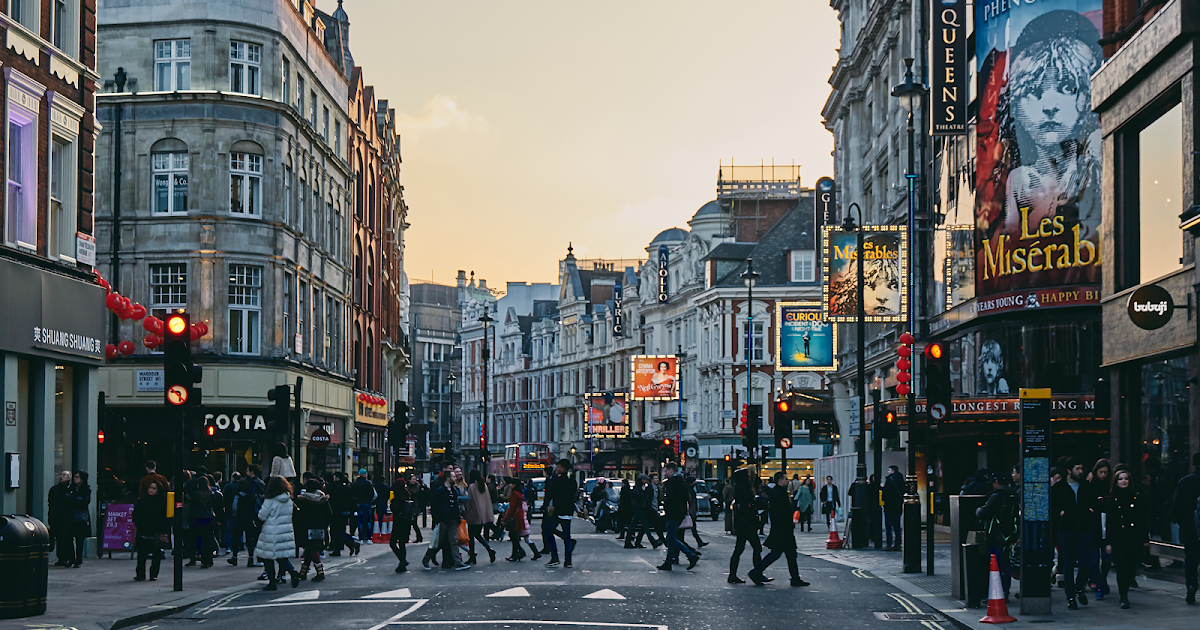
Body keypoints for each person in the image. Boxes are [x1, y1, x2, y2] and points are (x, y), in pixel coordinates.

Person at [747, 471, 809, 587]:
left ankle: (795, 578)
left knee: (790, 554)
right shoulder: (779, 494)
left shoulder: (777, 492)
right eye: (786, 479)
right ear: (780, 480)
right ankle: (755, 572)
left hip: (782, 529)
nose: (788, 481)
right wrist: (788, 525)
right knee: (776, 554)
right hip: (782, 530)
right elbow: (781, 513)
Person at [1050, 457, 1097, 609]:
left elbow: (1094, 501)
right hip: (1066, 530)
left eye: (1081, 468)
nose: (1081, 472)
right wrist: (1061, 512)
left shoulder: (1086, 486)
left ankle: (1079, 587)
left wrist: (1091, 510)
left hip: (1084, 529)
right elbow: (1052, 505)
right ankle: (1071, 597)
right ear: (1069, 470)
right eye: (1077, 468)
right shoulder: (1059, 488)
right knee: (1068, 565)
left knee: (1085, 563)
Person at [1102, 467, 1146, 609]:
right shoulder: (1112, 499)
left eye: (1126, 478)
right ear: (1116, 482)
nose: (1123, 481)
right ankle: (1123, 595)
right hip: (1119, 538)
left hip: (1134, 537)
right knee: (1121, 567)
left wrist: (1145, 539)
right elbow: (1110, 522)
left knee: (1132, 566)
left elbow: (1141, 519)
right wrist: (1108, 543)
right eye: (1120, 479)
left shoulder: (1136, 496)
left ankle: (1126, 589)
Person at [976, 472, 1020, 599]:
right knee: (1005, 563)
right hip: (1009, 534)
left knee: (995, 564)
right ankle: (1005, 590)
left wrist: (978, 510)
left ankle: (997, 592)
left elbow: (984, 512)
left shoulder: (997, 495)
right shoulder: (1013, 494)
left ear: (996, 481)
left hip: (996, 535)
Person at [254, 476, 300, 591]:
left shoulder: (270, 500)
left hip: (271, 531)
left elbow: (262, 515)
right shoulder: (289, 500)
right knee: (282, 557)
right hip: (285, 531)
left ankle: (272, 583)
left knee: (268, 558)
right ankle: (293, 572)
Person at [423, 462, 469, 570]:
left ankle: (457, 563)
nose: (455, 478)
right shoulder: (440, 491)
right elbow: (435, 505)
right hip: (444, 520)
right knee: (438, 542)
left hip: (453, 519)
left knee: (454, 541)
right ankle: (426, 559)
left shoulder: (454, 491)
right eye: (453, 476)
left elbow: (455, 505)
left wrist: (457, 518)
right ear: (448, 478)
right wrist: (438, 518)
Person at [657, 462, 699, 571]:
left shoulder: (672, 483)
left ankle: (690, 555)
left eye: (666, 471)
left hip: (673, 513)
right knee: (672, 537)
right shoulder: (682, 482)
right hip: (680, 512)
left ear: (671, 471)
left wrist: (665, 503)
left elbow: (670, 499)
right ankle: (668, 561)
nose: (665, 473)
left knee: (671, 537)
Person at [1172, 452, 1200, 605]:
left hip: (1190, 529)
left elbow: (1176, 507)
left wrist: (1184, 524)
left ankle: (1191, 586)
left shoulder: (1184, 482)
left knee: (1191, 559)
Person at [727, 468, 763, 583]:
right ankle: (757, 573)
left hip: (742, 523)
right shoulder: (745, 488)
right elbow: (747, 506)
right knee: (757, 548)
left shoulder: (739, 487)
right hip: (747, 523)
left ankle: (732, 574)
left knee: (739, 549)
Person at [294, 478, 332, 582]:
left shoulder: (304, 500)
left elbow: (299, 516)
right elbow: (329, 514)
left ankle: (320, 572)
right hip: (320, 527)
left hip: (307, 527)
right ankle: (303, 572)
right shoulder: (323, 499)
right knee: (310, 549)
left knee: (312, 549)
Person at [545, 459, 578, 567]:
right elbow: (574, 496)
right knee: (567, 537)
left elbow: (550, 494)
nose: (556, 469)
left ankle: (555, 557)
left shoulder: (557, 481)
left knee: (548, 532)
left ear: (563, 468)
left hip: (557, 511)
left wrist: (545, 506)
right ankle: (568, 561)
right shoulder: (572, 481)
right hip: (568, 511)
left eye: (558, 467)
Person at [133, 480, 169, 581]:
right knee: (141, 554)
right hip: (143, 530)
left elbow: (166, 517)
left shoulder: (163, 500)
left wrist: (159, 525)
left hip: (156, 530)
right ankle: (140, 574)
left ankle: (153, 574)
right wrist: (140, 523)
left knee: (156, 554)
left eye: (154, 488)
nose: (151, 490)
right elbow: (136, 515)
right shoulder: (142, 501)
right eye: (150, 488)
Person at [1088, 459, 1113, 600]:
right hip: (1094, 525)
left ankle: (1101, 581)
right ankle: (1099, 584)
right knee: (1094, 560)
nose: (1103, 475)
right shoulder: (1091, 486)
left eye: (1105, 472)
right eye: (1100, 472)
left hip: (1107, 525)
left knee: (1106, 559)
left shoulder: (1110, 486)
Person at [464, 470, 497, 564]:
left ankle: (475, 555)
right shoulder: (484, 486)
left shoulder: (472, 487)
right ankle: (487, 551)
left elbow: (469, 502)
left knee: (472, 536)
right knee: (477, 535)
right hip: (482, 515)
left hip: (473, 515)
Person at [502, 479, 539, 560]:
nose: (510, 485)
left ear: (514, 485)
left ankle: (517, 553)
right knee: (515, 536)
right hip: (519, 516)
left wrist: (505, 519)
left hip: (515, 517)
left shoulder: (514, 494)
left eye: (511, 483)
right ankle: (518, 553)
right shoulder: (519, 493)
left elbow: (512, 509)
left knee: (513, 536)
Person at [63, 471, 91, 568]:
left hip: (80, 517)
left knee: (79, 539)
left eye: (77, 477)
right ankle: (71, 558)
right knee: (68, 537)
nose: (75, 479)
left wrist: (73, 499)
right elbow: (66, 498)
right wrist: (74, 499)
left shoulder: (86, 489)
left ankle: (78, 560)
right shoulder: (71, 488)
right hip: (71, 516)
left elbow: (84, 501)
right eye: (75, 477)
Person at [188, 476, 218, 568]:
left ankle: (193, 559)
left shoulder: (195, 494)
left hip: (196, 518)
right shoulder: (211, 494)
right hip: (208, 517)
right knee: (207, 540)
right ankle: (208, 560)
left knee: (193, 540)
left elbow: (191, 506)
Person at [329, 472, 360, 556]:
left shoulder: (336, 488)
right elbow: (352, 500)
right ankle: (338, 549)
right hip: (347, 512)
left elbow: (334, 502)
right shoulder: (348, 488)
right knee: (341, 530)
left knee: (336, 531)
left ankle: (351, 543)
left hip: (338, 512)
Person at [625, 474, 661, 549]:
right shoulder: (637, 488)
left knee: (633, 525)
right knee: (645, 524)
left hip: (641, 507)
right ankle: (653, 541)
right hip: (638, 508)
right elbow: (638, 497)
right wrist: (643, 491)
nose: (646, 481)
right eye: (645, 479)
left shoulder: (641, 487)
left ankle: (629, 542)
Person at [389, 476, 416, 572]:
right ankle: (402, 564)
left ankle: (402, 560)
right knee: (402, 543)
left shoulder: (396, 495)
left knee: (392, 543)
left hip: (398, 522)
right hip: (406, 522)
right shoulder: (407, 494)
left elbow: (394, 509)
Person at [48, 470, 72, 566]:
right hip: (56, 515)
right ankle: (61, 557)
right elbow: (51, 503)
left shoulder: (70, 489)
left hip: (66, 516)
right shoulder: (54, 489)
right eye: (61, 474)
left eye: (64, 475)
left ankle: (66, 557)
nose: (61, 477)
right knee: (58, 536)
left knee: (65, 537)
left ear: (68, 478)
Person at [882, 465, 905, 550]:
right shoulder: (901, 480)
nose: (888, 472)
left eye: (889, 470)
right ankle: (898, 543)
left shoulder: (890, 480)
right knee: (897, 525)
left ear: (892, 471)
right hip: (898, 506)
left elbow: (885, 495)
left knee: (888, 526)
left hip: (889, 506)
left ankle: (889, 543)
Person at [351, 469, 377, 543]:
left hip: (359, 503)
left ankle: (361, 537)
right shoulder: (368, 483)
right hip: (367, 503)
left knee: (360, 521)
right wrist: (369, 500)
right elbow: (372, 494)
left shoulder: (355, 484)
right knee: (368, 520)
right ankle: (368, 538)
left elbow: (352, 494)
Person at [684, 474, 708, 548]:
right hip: (688, 512)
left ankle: (699, 541)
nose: (694, 484)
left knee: (693, 528)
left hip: (691, 512)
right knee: (685, 529)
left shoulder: (691, 490)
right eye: (693, 482)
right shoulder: (688, 491)